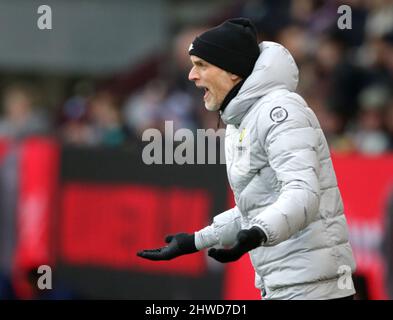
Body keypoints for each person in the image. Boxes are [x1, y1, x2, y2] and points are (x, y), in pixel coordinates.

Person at [137, 18, 357, 300]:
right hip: (288, 286)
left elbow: (303, 194)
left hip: (315, 291)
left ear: (232, 72)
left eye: (202, 65)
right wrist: (195, 241)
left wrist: (257, 233)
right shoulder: (244, 118)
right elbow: (258, 205)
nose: (192, 75)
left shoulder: (279, 109)